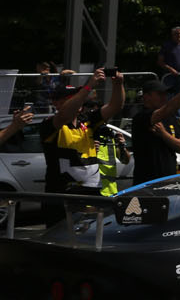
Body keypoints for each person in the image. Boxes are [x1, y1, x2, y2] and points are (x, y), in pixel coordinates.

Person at [41, 68, 126, 223]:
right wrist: (89, 86)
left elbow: (115, 106)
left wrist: (118, 85)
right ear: (56, 103)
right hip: (61, 198)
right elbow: (65, 114)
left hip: (92, 196)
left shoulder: (87, 120)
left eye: (77, 96)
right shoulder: (50, 124)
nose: (78, 100)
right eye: (70, 98)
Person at [130, 75, 180, 186]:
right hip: (147, 183)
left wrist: (164, 134)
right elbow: (167, 108)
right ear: (147, 96)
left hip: (168, 181)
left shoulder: (170, 118)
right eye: (159, 94)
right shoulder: (141, 117)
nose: (164, 97)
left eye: (165, 94)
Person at [155, 26, 180, 93]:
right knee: (167, 97)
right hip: (169, 76)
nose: (179, 35)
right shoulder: (166, 45)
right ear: (172, 34)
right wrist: (171, 69)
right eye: (177, 33)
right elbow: (160, 61)